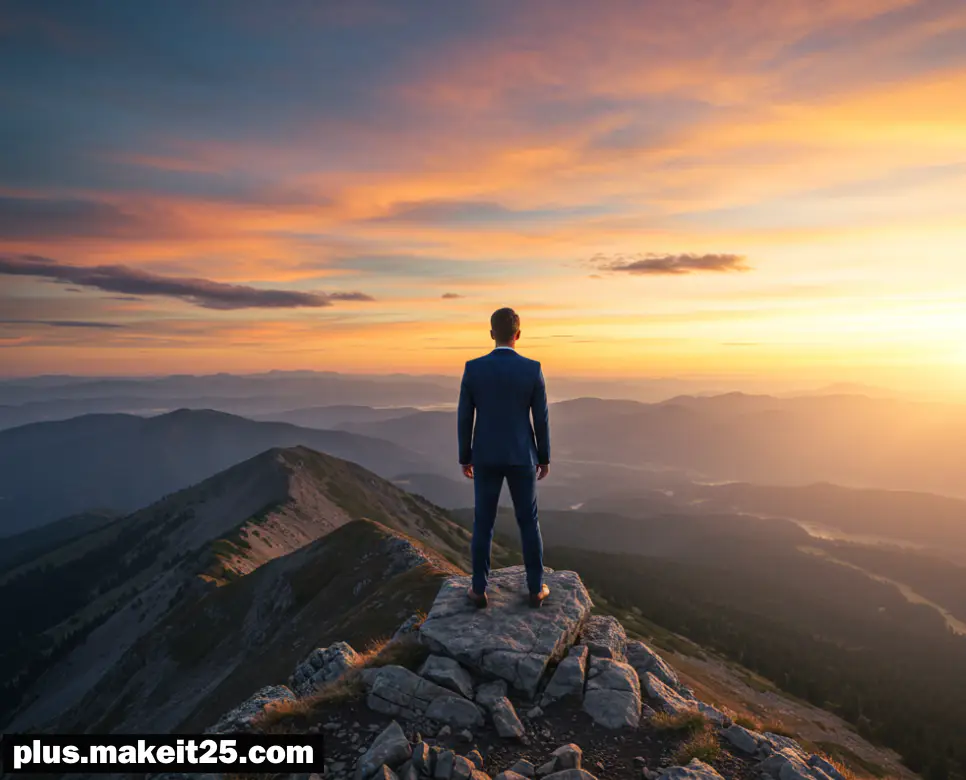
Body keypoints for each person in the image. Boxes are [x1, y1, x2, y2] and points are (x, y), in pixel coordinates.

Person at [457, 307, 551, 609]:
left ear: (491, 333)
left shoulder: (473, 369)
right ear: (518, 334)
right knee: (529, 521)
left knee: (483, 522)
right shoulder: (532, 369)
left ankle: (478, 589)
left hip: (485, 455)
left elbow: (464, 418)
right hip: (522, 455)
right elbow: (541, 419)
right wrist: (544, 456)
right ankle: (536, 589)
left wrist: (465, 456)